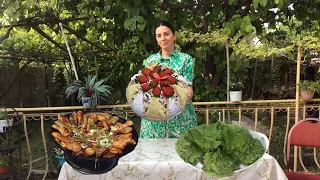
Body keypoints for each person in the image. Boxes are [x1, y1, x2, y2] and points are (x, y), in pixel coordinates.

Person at [140, 21, 197, 138]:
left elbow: (188, 89)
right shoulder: (150, 60)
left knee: (181, 153)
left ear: (174, 36)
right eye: (159, 36)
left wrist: (176, 107)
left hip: (180, 118)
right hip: (155, 119)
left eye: (166, 34)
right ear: (156, 39)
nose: (163, 38)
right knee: (153, 153)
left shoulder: (185, 59)